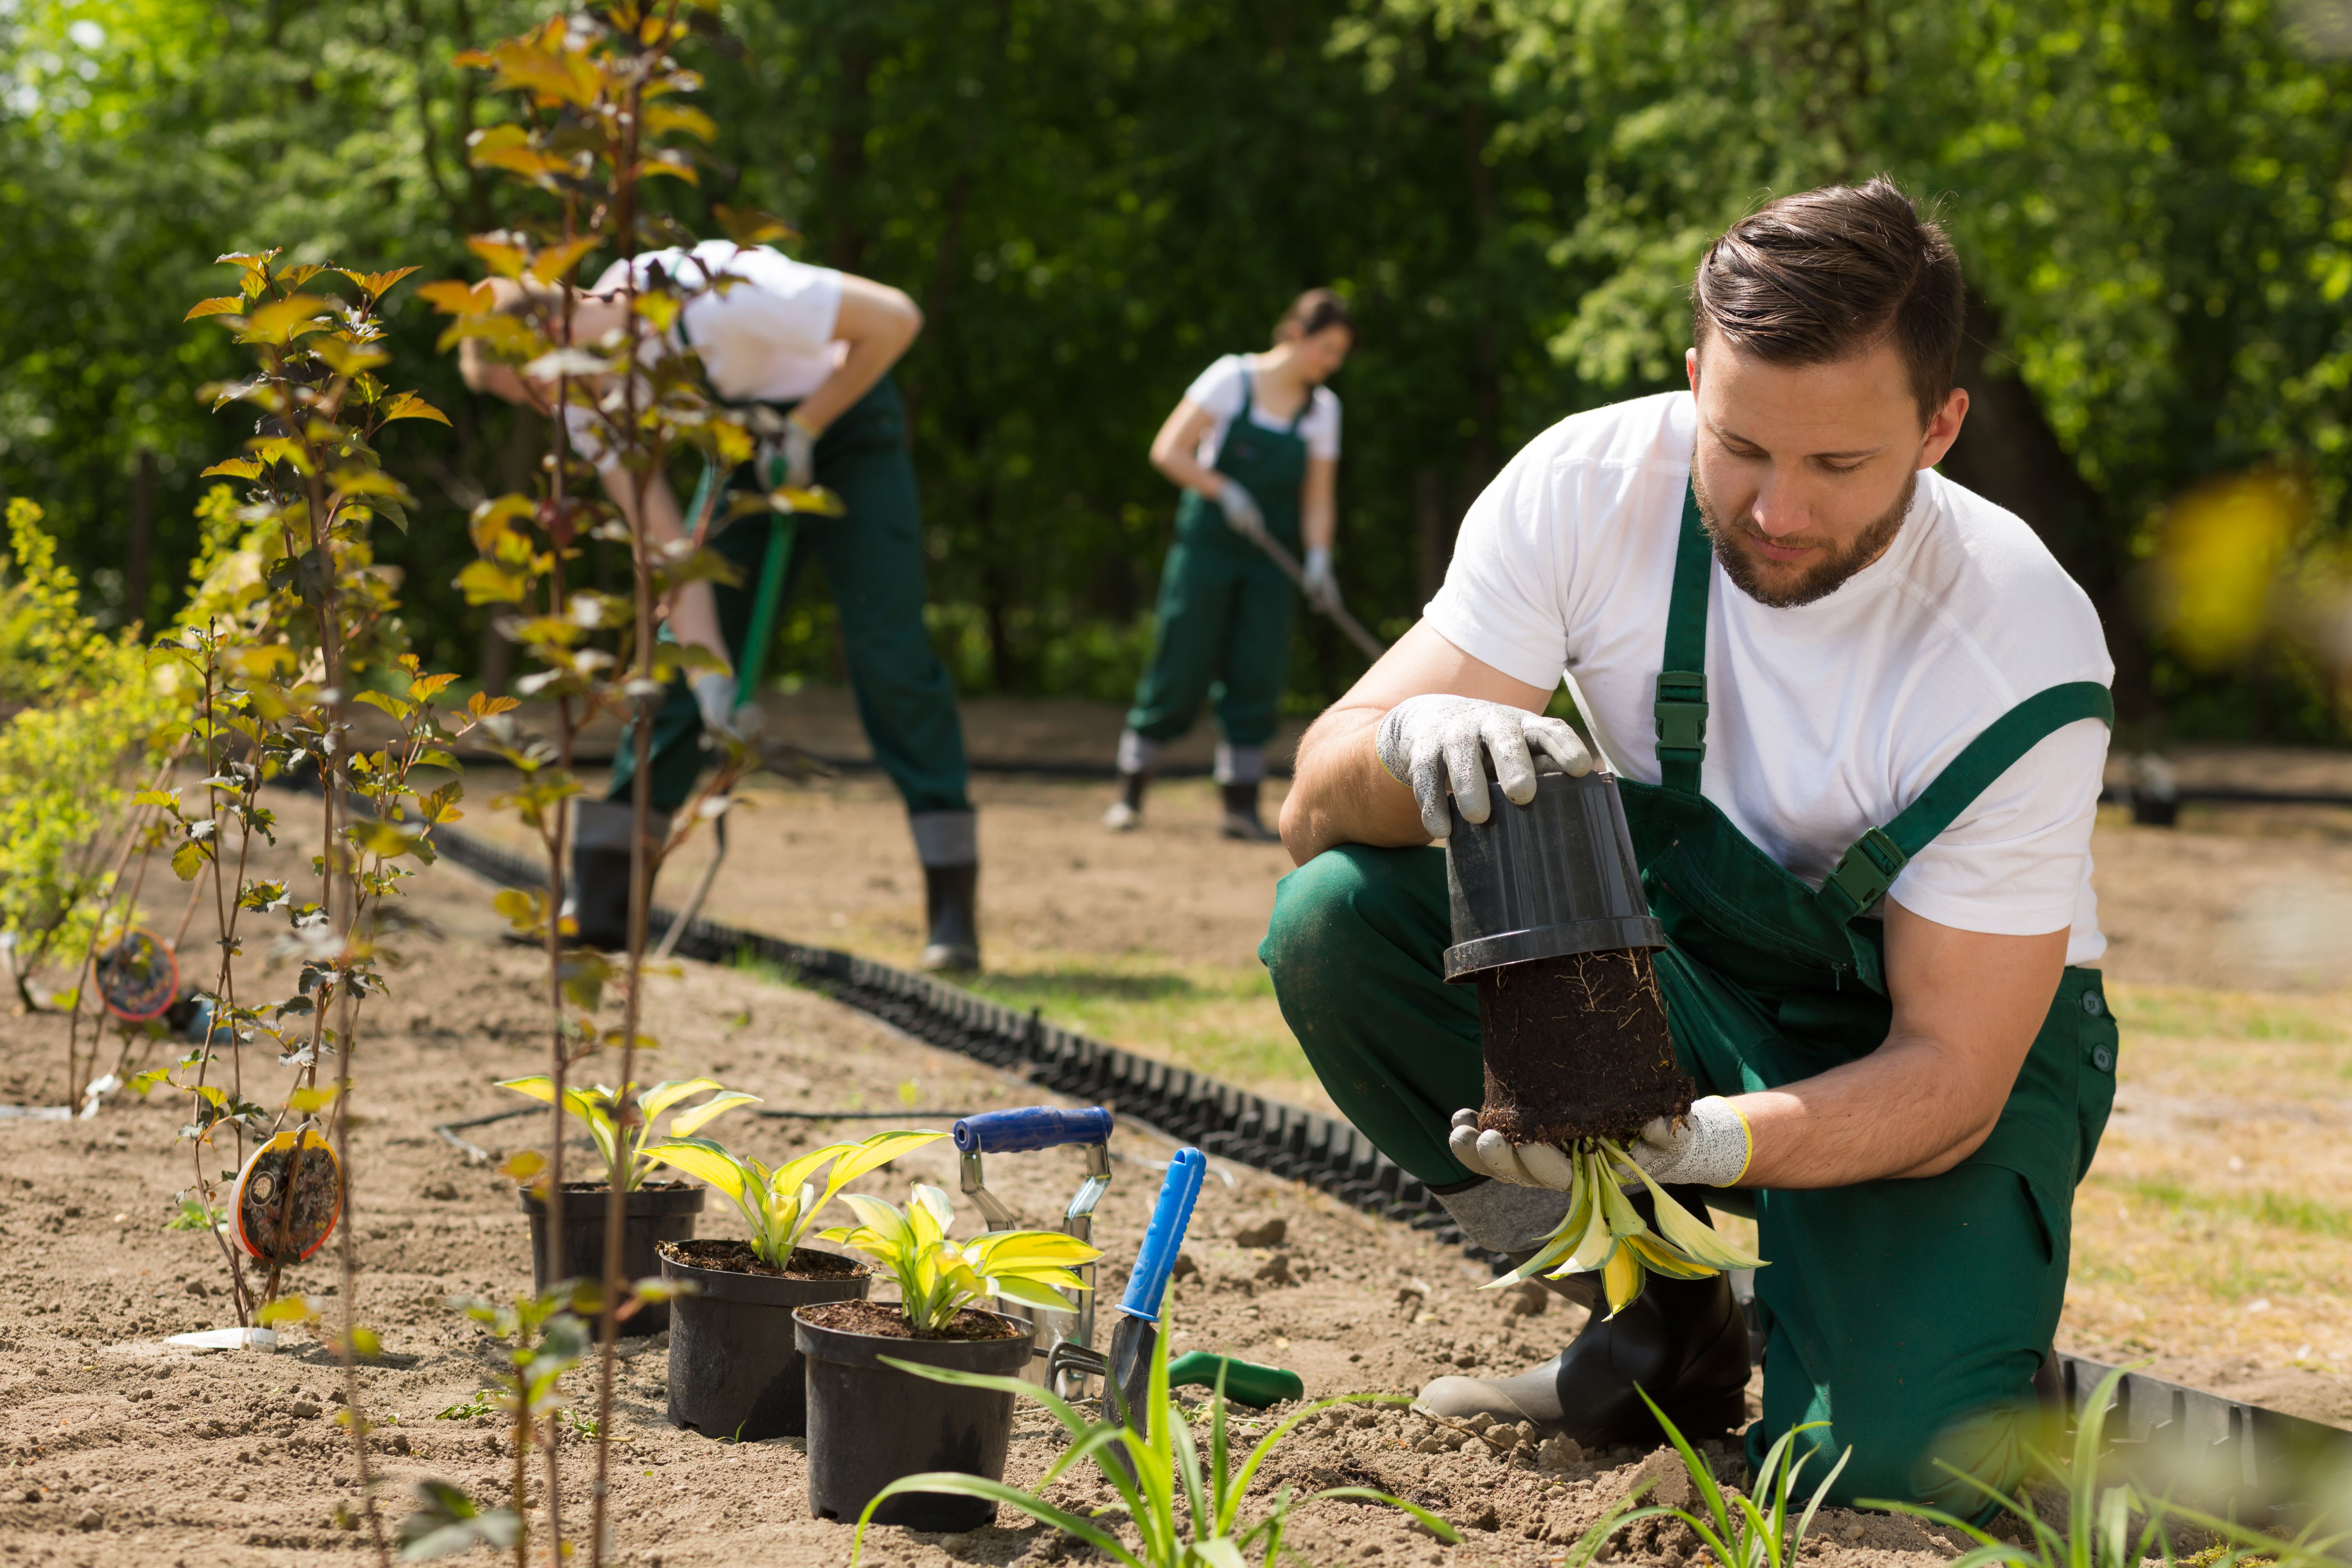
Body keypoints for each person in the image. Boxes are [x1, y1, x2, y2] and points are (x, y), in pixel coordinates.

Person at [1257, 180, 2118, 1513]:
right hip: (1691, 977)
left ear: (1940, 428)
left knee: (1886, 1474)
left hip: (1942, 1046)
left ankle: (1953, 1338)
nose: (1776, 510)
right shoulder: (1587, 489)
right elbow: (1311, 808)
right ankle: (1652, 1315)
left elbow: (1952, 1075)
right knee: (1336, 923)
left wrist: (1712, 1144)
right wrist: (1408, 743)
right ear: (1694, 378)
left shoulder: (2015, 644)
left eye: (1838, 466)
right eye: (1740, 447)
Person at [460, 241, 983, 971]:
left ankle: (952, 910)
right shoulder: (587, 398)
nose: (548, 408)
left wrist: (806, 426)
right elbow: (668, 550)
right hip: (746, 451)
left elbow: (896, 319)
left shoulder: (720, 294)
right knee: (679, 663)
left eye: (532, 390)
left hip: (850, 427)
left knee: (887, 653)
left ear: (550, 338)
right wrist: (713, 685)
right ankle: (603, 903)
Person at [1107, 290, 1354, 840]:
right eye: (1327, 348)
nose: (1332, 362)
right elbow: (1168, 450)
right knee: (1182, 658)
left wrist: (1319, 557)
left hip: (1270, 558)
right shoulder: (1231, 379)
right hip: (1208, 547)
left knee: (1257, 668)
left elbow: (1318, 497)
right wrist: (1224, 490)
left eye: (1340, 353)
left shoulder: (1323, 410)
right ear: (1296, 333)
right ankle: (1130, 793)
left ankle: (1240, 807)